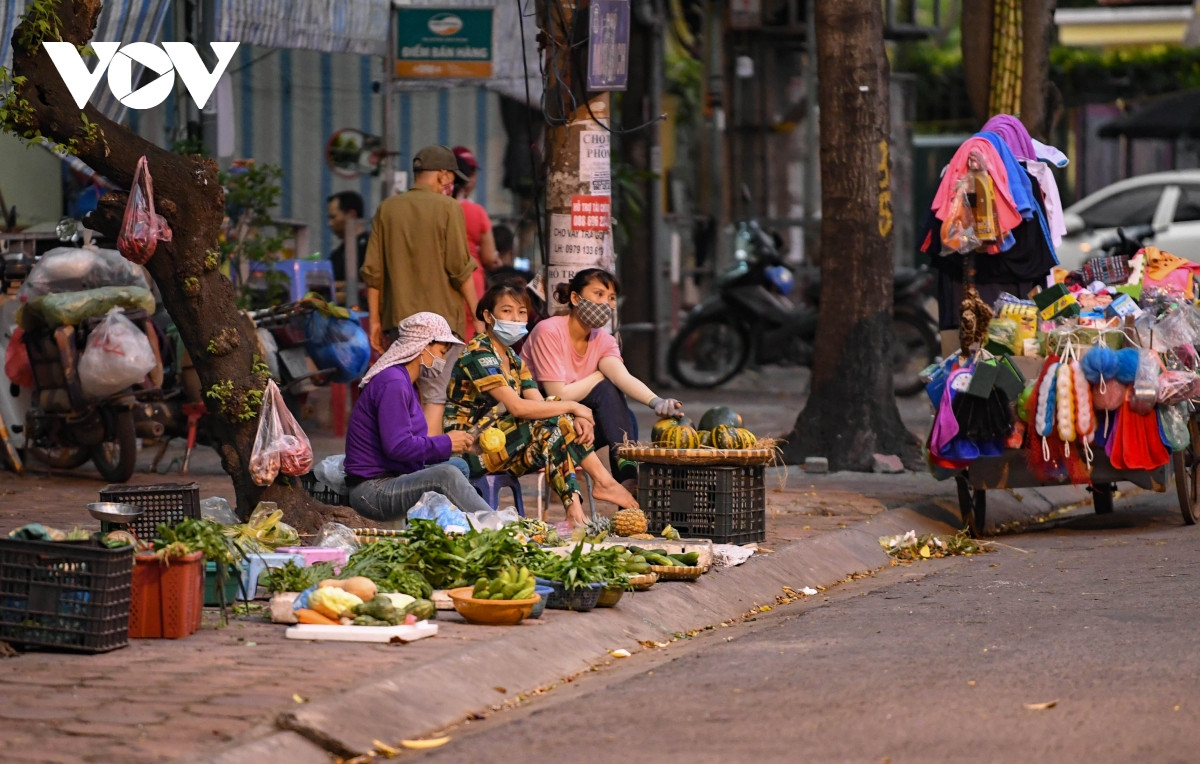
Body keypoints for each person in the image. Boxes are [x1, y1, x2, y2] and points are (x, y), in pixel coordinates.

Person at [444, 284, 639, 528]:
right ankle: (603, 483)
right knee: (555, 419)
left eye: (522, 313)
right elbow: (518, 408)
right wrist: (575, 408)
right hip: (469, 450)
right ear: (487, 316)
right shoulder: (479, 352)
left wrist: (570, 414)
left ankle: (574, 513)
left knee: (555, 428)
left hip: (503, 447)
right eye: (507, 311)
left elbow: (539, 403)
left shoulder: (514, 360)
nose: (516, 319)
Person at [361, 144, 485, 434]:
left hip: (400, 323)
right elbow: (460, 268)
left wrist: (376, 322)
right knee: (434, 397)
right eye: (451, 178)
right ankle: (428, 468)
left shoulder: (387, 209)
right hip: (441, 328)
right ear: (443, 176)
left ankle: (403, 462)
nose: (451, 183)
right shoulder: (449, 207)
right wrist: (478, 316)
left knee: (402, 392)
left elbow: (373, 274)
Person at [522, 268, 684, 490]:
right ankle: (626, 481)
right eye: (598, 294)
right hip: (538, 430)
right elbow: (557, 395)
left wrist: (657, 402)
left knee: (624, 416)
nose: (605, 303)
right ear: (575, 298)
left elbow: (622, 377)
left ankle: (627, 488)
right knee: (606, 389)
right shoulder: (548, 331)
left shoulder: (603, 340)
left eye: (611, 298)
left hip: (577, 429)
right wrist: (599, 375)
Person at [344, 312, 495, 523]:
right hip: (372, 491)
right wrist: (447, 441)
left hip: (393, 475)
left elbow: (409, 449)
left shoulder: (407, 383)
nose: (442, 360)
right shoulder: (393, 383)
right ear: (423, 346)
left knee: (458, 466)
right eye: (441, 352)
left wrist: (457, 445)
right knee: (447, 476)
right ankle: (499, 528)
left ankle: (454, 527)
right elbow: (397, 447)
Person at [452, 146, 502, 332]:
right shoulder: (476, 212)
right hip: (472, 281)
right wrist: (495, 260)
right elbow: (489, 257)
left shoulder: (434, 212)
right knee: (469, 333)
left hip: (440, 282)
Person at [326, 191, 370, 285]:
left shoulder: (370, 248)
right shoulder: (337, 254)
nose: (330, 224)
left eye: (333, 217)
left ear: (351, 215)